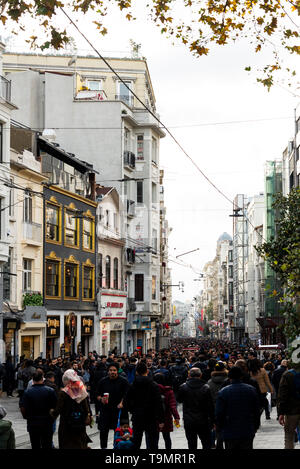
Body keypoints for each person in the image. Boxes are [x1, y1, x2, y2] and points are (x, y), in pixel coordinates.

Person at [215, 366, 261, 450]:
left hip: (229, 429)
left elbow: (219, 413)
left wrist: (219, 427)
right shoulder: (251, 390)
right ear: (241, 376)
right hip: (247, 428)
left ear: (229, 377)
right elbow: (256, 410)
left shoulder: (223, 392)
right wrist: (256, 425)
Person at [123, 361, 165, 450]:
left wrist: (132, 410)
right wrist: (161, 419)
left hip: (137, 416)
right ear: (147, 371)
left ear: (136, 372)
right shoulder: (154, 385)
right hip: (151, 417)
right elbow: (159, 402)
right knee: (152, 442)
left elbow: (126, 401)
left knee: (136, 441)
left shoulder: (132, 385)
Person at [50, 369, 92, 449]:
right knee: (79, 442)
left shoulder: (64, 392)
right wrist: (88, 415)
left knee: (67, 442)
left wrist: (52, 413)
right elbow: (86, 406)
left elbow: (58, 409)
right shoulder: (81, 389)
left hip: (66, 423)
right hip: (80, 421)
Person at [176, 367, 214, 450]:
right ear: (200, 375)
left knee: (192, 444)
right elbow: (210, 406)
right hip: (203, 420)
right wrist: (213, 420)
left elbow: (179, 399)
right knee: (206, 443)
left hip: (189, 419)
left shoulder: (184, 387)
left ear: (189, 375)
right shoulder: (206, 387)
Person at [19, 370, 57, 449]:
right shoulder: (50, 391)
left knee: (35, 444)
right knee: (47, 444)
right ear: (42, 379)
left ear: (32, 379)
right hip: (47, 422)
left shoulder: (27, 392)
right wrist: (53, 417)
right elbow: (56, 407)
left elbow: (22, 407)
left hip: (33, 422)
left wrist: (26, 416)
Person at [96, 362, 130, 449]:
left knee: (120, 432)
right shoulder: (103, 381)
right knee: (103, 431)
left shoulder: (123, 381)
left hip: (119, 411)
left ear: (117, 371)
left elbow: (128, 395)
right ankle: (103, 447)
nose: (112, 372)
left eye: (114, 370)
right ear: (108, 371)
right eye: (110, 370)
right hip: (105, 410)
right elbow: (97, 395)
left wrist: (122, 403)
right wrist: (101, 399)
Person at [152, 373, 180, 449]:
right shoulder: (168, 391)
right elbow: (172, 405)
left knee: (154, 438)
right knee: (167, 437)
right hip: (166, 417)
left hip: (154, 417)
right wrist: (176, 417)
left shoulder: (151, 390)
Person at [277, 365, 300, 449]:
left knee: (289, 437)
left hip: (291, 411)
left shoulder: (287, 375)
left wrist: (281, 413)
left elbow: (283, 396)